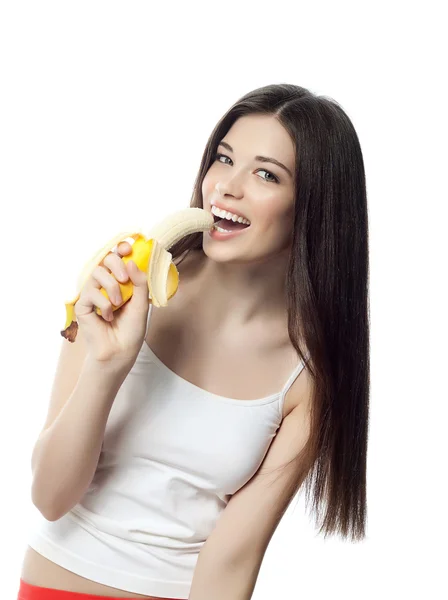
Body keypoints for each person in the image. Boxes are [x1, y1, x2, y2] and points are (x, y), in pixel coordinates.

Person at [17, 83, 370, 600]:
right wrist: (107, 366)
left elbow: (233, 559)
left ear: (313, 209)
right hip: (54, 584)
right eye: (224, 159)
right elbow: (49, 497)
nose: (227, 187)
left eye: (266, 174)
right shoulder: (124, 280)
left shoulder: (307, 377)